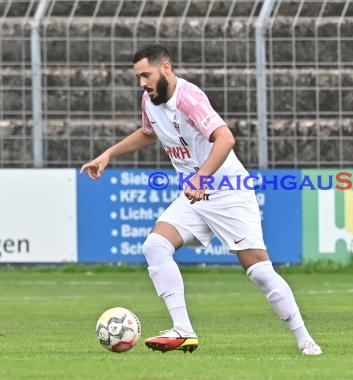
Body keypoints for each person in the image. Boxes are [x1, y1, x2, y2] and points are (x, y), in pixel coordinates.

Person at [80, 43, 322, 356]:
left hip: (228, 190)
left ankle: (306, 340)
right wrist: (109, 153)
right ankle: (183, 329)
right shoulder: (149, 100)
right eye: (138, 76)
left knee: (260, 272)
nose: (142, 82)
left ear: (165, 67)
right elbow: (148, 132)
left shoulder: (189, 98)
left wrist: (201, 176)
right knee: (155, 246)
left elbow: (226, 138)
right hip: (195, 195)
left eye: (146, 74)